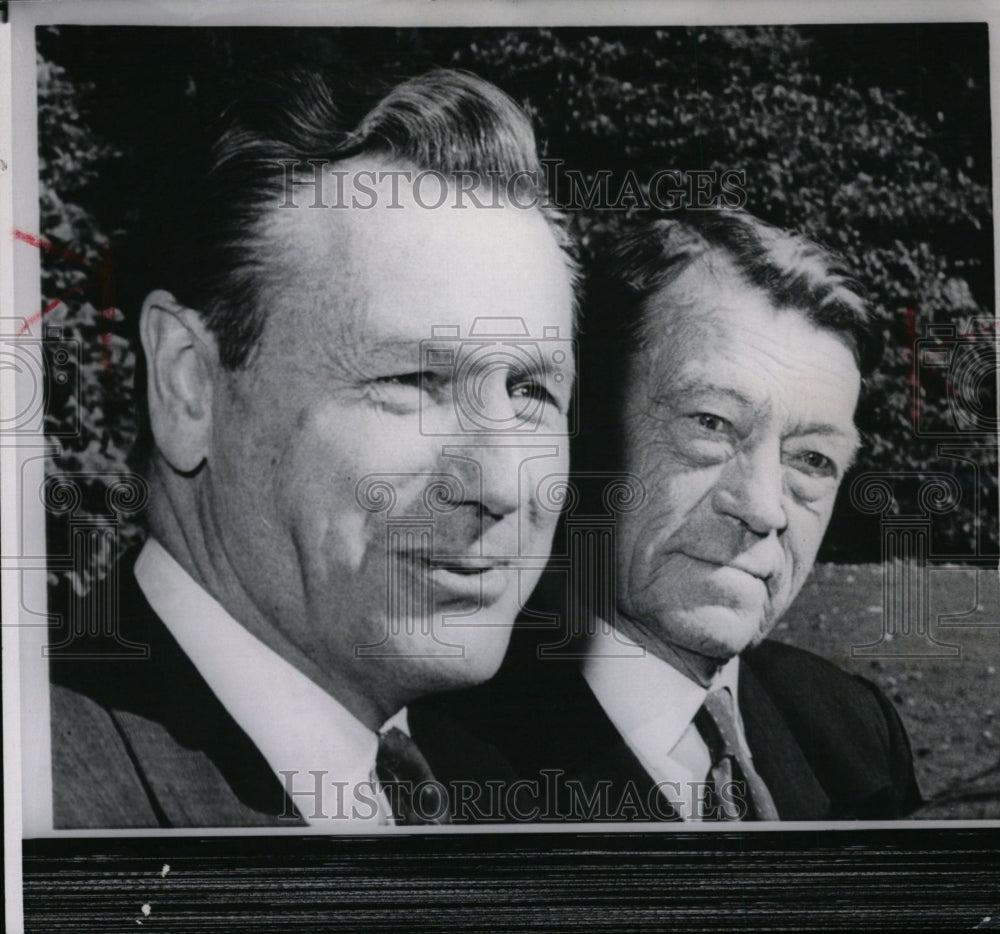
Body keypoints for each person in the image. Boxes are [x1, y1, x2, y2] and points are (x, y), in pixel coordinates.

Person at [47, 68, 577, 829]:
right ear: (188, 386)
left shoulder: (496, 790)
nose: (499, 483)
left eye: (530, 390)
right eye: (412, 379)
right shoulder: (48, 803)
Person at [423, 209, 922, 822]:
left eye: (813, 459)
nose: (764, 509)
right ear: (583, 429)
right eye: (711, 424)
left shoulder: (857, 736)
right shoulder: (430, 771)